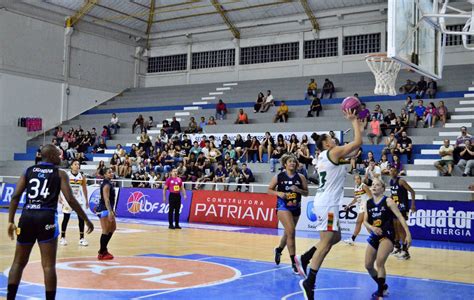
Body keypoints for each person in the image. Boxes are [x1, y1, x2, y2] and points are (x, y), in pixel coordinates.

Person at [6, 144, 93, 300]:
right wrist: (86, 219)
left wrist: (10, 220)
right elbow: (71, 199)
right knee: (48, 266)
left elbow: (15, 197)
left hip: (27, 217)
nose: (61, 157)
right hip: (46, 217)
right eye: (58, 155)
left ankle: (10, 298)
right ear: (51, 156)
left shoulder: (28, 171)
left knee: (18, 263)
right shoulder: (60, 174)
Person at [296, 109, 362, 300]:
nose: (334, 139)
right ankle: (309, 282)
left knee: (336, 237)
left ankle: (306, 257)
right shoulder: (332, 152)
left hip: (325, 202)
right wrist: (354, 120)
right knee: (326, 243)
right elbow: (357, 144)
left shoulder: (330, 156)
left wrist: (359, 128)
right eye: (331, 138)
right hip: (328, 204)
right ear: (326, 143)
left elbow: (356, 150)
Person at [364, 178, 412, 299]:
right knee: (368, 265)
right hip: (375, 235)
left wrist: (408, 233)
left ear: (383, 189)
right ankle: (383, 286)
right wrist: (372, 227)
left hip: (388, 235)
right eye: (373, 185)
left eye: (377, 185)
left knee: (380, 262)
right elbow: (364, 221)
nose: (374, 186)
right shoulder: (368, 203)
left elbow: (400, 217)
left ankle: (380, 293)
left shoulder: (388, 201)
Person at [268, 154, 308, 273]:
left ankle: (279, 250)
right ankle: (294, 263)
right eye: (290, 161)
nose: (292, 163)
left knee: (288, 233)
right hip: (283, 206)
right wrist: (279, 193)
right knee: (291, 231)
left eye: (294, 162)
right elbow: (269, 189)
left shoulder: (301, 177)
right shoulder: (279, 176)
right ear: (285, 164)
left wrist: (298, 190)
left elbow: (306, 193)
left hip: (296, 207)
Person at [59, 160, 89, 247]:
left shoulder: (82, 176)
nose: (77, 166)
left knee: (81, 218)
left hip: (78, 199)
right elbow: (59, 186)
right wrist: (59, 196)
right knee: (66, 218)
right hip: (67, 199)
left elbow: (84, 189)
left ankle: (82, 238)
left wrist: (86, 200)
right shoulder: (66, 175)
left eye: (78, 164)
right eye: (75, 164)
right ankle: (63, 238)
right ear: (71, 166)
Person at [389, 166, 416, 260]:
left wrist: (413, 205)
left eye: (393, 170)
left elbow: (412, 191)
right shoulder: (391, 182)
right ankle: (397, 248)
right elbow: (393, 195)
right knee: (395, 228)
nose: (392, 172)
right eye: (390, 170)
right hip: (395, 208)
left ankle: (405, 251)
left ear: (397, 172)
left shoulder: (401, 181)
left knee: (401, 229)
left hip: (403, 207)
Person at [343, 174, 372, 245]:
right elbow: (356, 198)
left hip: (366, 206)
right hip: (360, 207)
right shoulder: (355, 188)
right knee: (366, 224)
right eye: (355, 179)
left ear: (360, 179)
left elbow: (371, 197)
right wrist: (349, 205)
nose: (357, 180)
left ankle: (352, 239)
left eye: (358, 179)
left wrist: (371, 206)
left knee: (359, 222)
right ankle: (376, 237)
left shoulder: (364, 186)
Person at [96, 168, 117, 260]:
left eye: (112, 172)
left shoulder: (109, 183)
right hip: (104, 209)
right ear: (104, 174)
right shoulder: (106, 185)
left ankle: (103, 249)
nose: (111, 173)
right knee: (105, 230)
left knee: (113, 228)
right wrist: (110, 211)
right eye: (109, 172)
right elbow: (106, 199)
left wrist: (112, 210)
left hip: (107, 209)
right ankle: (101, 252)